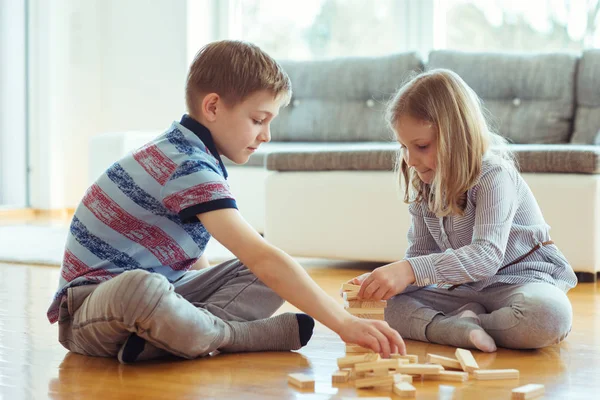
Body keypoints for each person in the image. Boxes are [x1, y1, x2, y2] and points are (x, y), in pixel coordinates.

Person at [47, 40, 404, 364]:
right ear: (213, 107)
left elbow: (194, 251)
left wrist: (203, 296)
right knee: (143, 287)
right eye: (258, 120)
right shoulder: (185, 162)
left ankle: (175, 337)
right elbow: (260, 257)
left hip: (160, 299)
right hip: (90, 312)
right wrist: (344, 323)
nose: (266, 135)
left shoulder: (194, 153)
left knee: (262, 272)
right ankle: (236, 337)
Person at [347, 69, 577, 352]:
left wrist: (408, 270)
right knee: (374, 309)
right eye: (403, 146)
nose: (409, 159)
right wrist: (383, 283)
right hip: (463, 290)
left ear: (457, 135)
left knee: (549, 316)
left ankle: (459, 324)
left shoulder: (494, 176)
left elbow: (486, 257)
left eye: (420, 146)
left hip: (521, 283)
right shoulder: (425, 185)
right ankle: (456, 328)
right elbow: (421, 257)